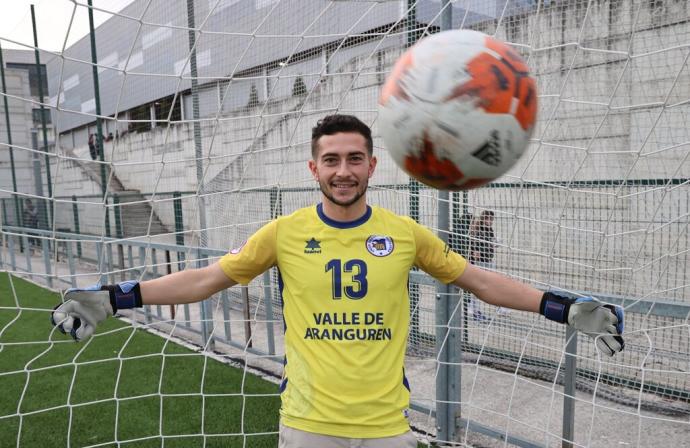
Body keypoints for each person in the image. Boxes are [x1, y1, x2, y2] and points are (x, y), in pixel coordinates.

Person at [51, 114, 624, 448]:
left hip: (388, 427)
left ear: (373, 166)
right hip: (306, 426)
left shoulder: (405, 234)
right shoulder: (282, 233)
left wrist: (561, 307)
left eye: (354, 159)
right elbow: (206, 280)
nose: (343, 170)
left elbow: (479, 281)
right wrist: (114, 298)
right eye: (331, 160)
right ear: (314, 169)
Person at [467, 210, 498, 320]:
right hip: (480, 262)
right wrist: (476, 251)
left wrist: (494, 243)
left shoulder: (489, 230)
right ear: (483, 219)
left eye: (491, 219)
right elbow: (475, 245)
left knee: (494, 282)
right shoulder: (478, 230)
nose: (490, 221)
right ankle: (474, 310)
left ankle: (472, 306)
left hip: (488, 260)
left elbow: (490, 241)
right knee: (479, 286)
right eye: (488, 219)